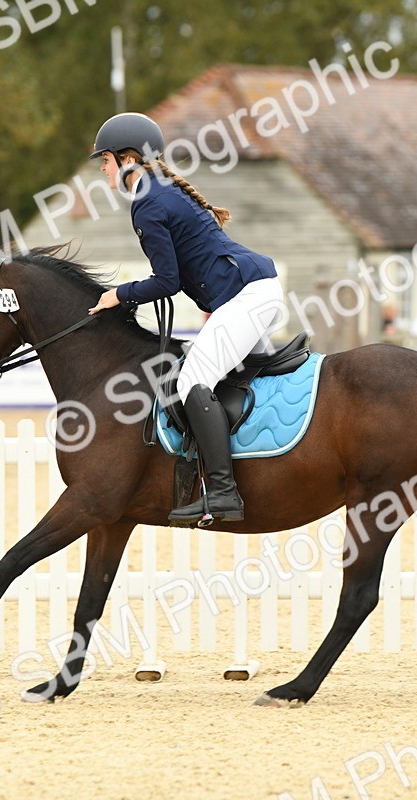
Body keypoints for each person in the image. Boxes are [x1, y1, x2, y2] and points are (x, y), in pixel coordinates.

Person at [86, 112, 284, 526]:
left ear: (128, 159)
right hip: (251, 292)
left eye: (105, 160)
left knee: (191, 380)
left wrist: (118, 295)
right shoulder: (161, 191)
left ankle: (223, 493)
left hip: (247, 297)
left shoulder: (147, 203)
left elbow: (167, 281)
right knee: (221, 375)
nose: (102, 169)